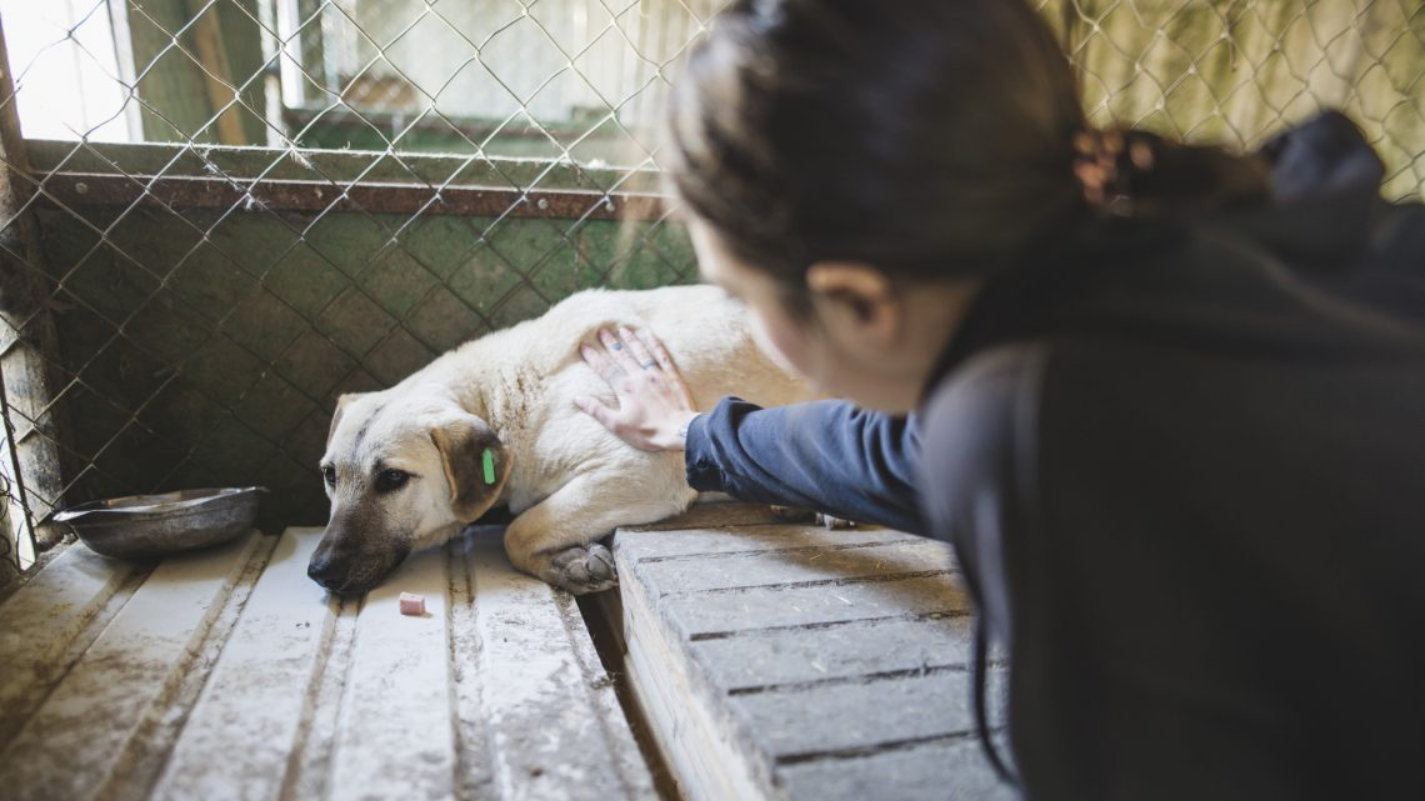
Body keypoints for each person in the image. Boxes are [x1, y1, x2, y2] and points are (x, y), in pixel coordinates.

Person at [572, 1, 1425, 798]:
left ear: (861, 303)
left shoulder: (1029, 419)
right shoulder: (1182, 244)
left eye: (740, 296)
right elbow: (887, 447)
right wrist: (698, 437)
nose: (747, 327)